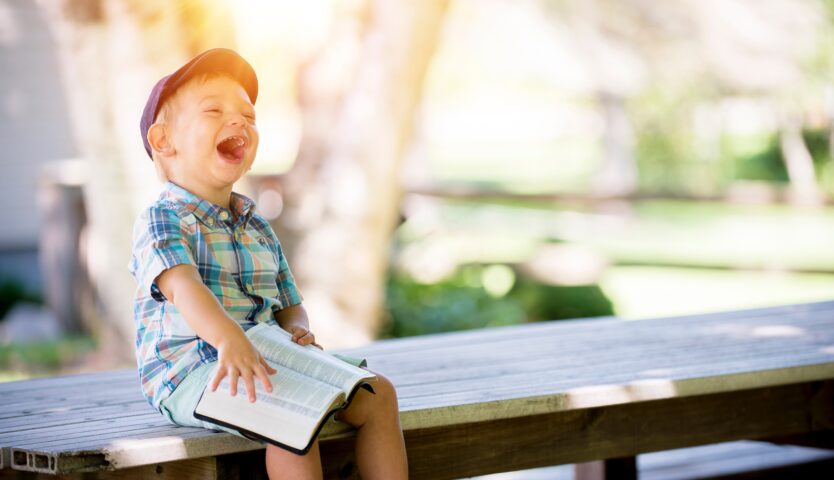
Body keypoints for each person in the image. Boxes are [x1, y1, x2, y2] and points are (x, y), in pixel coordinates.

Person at [129, 48, 408, 480]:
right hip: (193, 370)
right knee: (293, 413)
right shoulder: (163, 217)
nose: (239, 120)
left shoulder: (255, 223)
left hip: (264, 355)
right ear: (164, 141)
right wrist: (228, 340)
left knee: (378, 394)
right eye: (214, 110)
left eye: (248, 114)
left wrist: (297, 327)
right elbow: (183, 288)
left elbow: (288, 300)